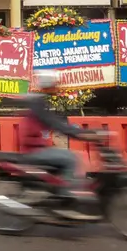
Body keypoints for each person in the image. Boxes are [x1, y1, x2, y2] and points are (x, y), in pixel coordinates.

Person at [21, 70, 101, 220]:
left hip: (38, 147)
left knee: (65, 156)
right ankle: (65, 203)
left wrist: (81, 132)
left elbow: (57, 123)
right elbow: (57, 125)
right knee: (71, 158)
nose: (58, 87)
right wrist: (81, 134)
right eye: (55, 84)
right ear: (49, 85)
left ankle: (58, 191)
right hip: (34, 150)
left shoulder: (40, 102)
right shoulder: (39, 104)